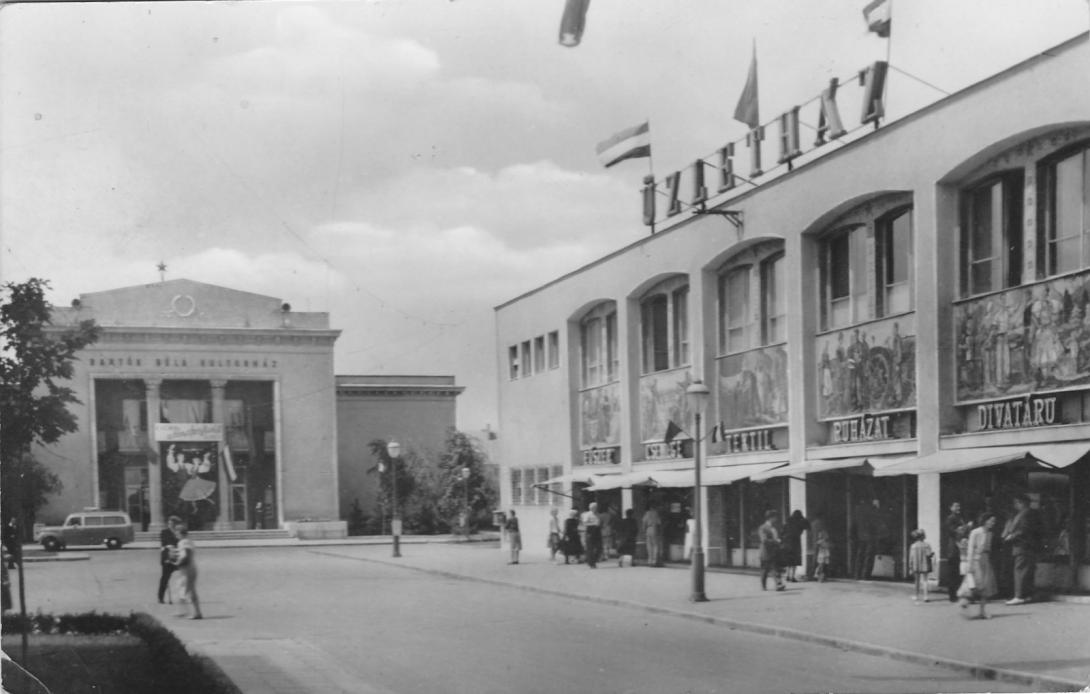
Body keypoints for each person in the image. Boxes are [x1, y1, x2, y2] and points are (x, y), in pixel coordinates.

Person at [959, 513, 998, 619]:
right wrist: (970, 564)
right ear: (985, 520)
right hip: (975, 561)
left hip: (985, 561)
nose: (993, 523)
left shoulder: (990, 533)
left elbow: (988, 549)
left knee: (985, 586)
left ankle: (982, 611)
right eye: (991, 520)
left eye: (994, 521)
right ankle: (964, 605)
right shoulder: (975, 532)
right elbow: (970, 548)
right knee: (973, 585)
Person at [1003, 494, 1039, 605]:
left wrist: (1011, 536)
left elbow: (1023, 530)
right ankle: (1026, 595)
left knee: (1020, 571)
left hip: (1022, 546)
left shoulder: (1025, 514)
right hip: (1026, 547)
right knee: (1026, 571)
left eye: (1016, 503)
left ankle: (1019, 596)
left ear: (1021, 503)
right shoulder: (1028, 513)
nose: (1015, 505)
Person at [172, 525, 202, 620]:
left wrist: (177, 563)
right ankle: (187, 611)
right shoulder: (188, 541)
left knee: (186, 591)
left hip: (187, 569)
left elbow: (186, 556)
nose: (175, 534)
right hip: (189, 569)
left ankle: (194, 613)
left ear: (181, 533)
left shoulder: (183, 542)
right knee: (184, 589)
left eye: (177, 532)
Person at [943, 501, 966, 602]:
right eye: (956, 506)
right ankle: (952, 595)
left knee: (957, 572)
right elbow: (951, 531)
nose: (958, 508)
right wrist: (963, 528)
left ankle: (956, 593)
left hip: (959, 546)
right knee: (953, 572)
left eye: (959, 506)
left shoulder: (959, 518)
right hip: (954, 548)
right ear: (951, 508)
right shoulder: (951, 518)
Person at [758, 510, 785, 591]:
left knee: (775, 569)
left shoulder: (774, 528)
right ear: (770, 518)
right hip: (766, 552)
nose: (776, 519)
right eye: (775, 517)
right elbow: (764, 540)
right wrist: (776, 541)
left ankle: (778, 585)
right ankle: (763, 585)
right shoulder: (763, 528)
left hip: (774, 552)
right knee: (765, 570)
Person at [157, 515, 181, 604]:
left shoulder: (179, 533)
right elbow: (164, 544)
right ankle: (160, 597)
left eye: (173, 523)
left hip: (177, 557)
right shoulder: (164, 532)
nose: (171, 525)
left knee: (184, 576)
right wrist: (171, 546)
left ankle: (183, 596)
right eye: (169, 523)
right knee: (165, 578)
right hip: (167, 558)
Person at [782, 510, 810, 582]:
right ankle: (792, 577)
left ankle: (787, 576)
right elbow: (808, 526)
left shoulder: (787, 522)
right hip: (795, 543)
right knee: (794, 561)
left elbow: (782, 533)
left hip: (787, 543)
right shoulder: (799, 523)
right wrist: (803, 518)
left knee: (788, 560)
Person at [908, 529, 935, 603]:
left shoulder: (913, 546)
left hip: (916, 565)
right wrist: (932, 554)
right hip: (925, 565)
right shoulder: (927, 545)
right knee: (925, 580)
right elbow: (929, 555)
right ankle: (926, 597)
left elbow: (911, 557)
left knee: (917, 581)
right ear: (922, 536)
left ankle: (916, 596)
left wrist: (910, 567)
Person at [642, 503, 664, 567]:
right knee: (655, 545)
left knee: (649, 546)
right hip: (654, 529)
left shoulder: (646, 513)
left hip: (648, 529)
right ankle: (654, 561)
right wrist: (660, 532)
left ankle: (650, 561)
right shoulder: (656, 513)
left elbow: (644, 522)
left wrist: (644, 530)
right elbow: (659, 523)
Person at [582, 503, 601, 569]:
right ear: (591, 508)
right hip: (590, 531)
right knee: (590, 548)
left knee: (599, 547)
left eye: (596, 507)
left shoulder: (597, 514)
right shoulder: (587, 514)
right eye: (594, 507)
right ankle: (591, 563)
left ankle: (593, 560)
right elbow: (585, 523)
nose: (595, 508)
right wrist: (594, 523)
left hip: (597, 531)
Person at [812, 517, 831, 583]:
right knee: (821, 565)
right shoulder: (820, 540)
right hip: (822, 553)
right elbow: (820, 544)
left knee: (824, 565)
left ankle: (821, 576)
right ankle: (817, 575)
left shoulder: (825, 540)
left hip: (825, 553)